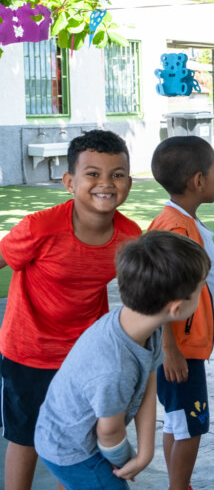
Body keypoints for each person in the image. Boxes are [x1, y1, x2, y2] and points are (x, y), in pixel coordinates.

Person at [0, 130, 141, 490]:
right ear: (69, 182)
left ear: (129, 182)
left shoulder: (130, 237)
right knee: (26, 437)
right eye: (93, 174)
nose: (106, 183)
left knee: (78, 443)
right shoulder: (40, 227)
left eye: (117, 174)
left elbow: (144, 297)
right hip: (29, 351)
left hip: (85, 356)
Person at [34, 232, 210, 490]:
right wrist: (126, 462)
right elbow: (109, 432)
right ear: (176, 307)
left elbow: (148, 380)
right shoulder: (115, 368)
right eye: (200, 289)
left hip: (87, 437)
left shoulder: (143, 324)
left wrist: (145, 454)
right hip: (72, 451)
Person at [148, 136, 214, 490]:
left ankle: (180, 484)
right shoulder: (176, 227)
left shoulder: (182, 221)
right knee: (192, 424)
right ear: (198, 180)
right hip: (179, 349)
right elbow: (158, 293)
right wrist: (170, 349)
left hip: (182, 346)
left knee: (178, 422)